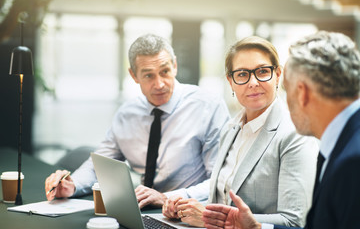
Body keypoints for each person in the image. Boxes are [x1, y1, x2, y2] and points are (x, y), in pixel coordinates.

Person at [44, 34, 230, 209]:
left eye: (165, 71)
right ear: (134, 75)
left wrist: (168, 197)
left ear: (175, 66)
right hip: (142, 211)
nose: (159, 84)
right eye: (149, 75)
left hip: (188, 213)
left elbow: (220, 180)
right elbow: (98, 166)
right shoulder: (127, 114)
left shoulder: (208, 106)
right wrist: (72, 185)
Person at [202, 31, 360, 229]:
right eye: (242, 74)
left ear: (301, 92)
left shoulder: (350, 158)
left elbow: (298, 220)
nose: (253, 83)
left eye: (287, 88)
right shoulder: (340, 143)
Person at [162, 36, 318, 227]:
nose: (253, 82)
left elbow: (294, 221)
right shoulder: (231, 128)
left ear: (278, 74)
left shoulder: (295, 134)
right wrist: (184, 206)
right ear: (231, 81)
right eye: (242, 74)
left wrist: (209, 218)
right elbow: (223, 199)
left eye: (262, 71)